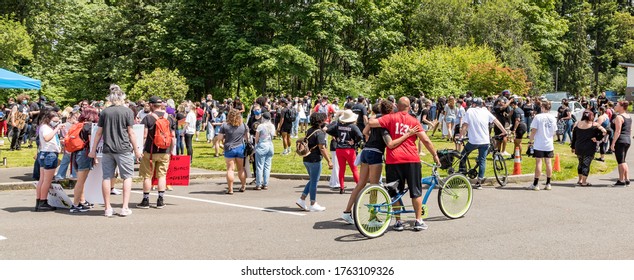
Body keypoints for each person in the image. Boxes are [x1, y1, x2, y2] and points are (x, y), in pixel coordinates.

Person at [368, 97, 441, 231]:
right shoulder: (414, 121)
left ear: (397, 106)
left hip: (393, 159)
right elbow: (426, 140)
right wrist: (435, 155)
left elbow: (371, 123)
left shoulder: (390, 118)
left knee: (395, 191)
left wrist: (375, 115)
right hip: (411, 159)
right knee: (416, 191)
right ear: (409, 107)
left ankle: (398, 221)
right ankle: (418, 220)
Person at [341, 100, 419, 224]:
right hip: (376, 153)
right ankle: (372, 217)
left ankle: (347, 211)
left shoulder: (375, 119)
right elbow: (390, 143)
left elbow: (365, 132)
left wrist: (370, 137)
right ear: (390, 111)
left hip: (366, 151)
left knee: (360, 183)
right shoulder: (385, 123)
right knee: (374, 187)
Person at [88, 84, 142, 217]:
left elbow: (98, 133)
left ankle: (107, 208)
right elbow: (131, 133)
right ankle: (124, 207)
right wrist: (136, 150)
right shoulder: (127, 112)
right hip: (123, 148)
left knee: (106, 177)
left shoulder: (105, 112)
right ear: (122, 97)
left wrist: (93, 150)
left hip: (107, 149)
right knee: (127, 177)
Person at [458, 98, 507, 189]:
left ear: (473, 104)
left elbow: (465, 125)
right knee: (482, 160)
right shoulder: (486, 111)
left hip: (473, 140)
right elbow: (497, 122)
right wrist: (504, 131)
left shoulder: (470, 111)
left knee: (463, 155)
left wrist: (460, 137)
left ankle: (461, 174)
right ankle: (479, 182)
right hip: (485, 141)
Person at [137, 96, 176, 209]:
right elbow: (172, 136)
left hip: (150, 151)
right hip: (165, 151)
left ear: (151, 105)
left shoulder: (148, 118)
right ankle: (160, 199)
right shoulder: (169, 118)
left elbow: (144, 136)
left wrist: (140, 150)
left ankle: (145, 200)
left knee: (147, 176)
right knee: (162, 176)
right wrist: (171, 150)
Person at [295, 112, 333, 212]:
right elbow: (322, 148)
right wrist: (329, 161)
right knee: (314, 181)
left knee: (312, 180)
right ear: (321, 121)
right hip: (315, 159)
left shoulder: (309, 130)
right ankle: (313, 203)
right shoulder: (319, 133)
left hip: (306, 158)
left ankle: (302, 199)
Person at [69, 107, 99, 213]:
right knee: (81, 181)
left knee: (80, 179)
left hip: (75, 153)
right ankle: (75, 204)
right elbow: (91, 143)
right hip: (84, 153)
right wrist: (94, 157)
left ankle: (81, 201)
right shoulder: (89, 126)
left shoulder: (78, 125)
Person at [327, 109, 363, 194]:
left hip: (339, 148)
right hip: (349, 149)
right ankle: (359, 187)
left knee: (341, 169)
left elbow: (328, 130)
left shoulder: (338, 125)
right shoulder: (353, 126)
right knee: (354, 169)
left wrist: (336, 136)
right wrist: (354, 141)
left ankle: (342, 188)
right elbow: (360, 136)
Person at [35, 111, 62, 211]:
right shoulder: (46, 127)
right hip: (49, 154)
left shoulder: (44, 127)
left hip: (44, 153)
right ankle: (43, 201)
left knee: (42, 179)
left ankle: (39, 201)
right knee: (46, 180)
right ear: (49, 119)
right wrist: (57, 129)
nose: (56, 123)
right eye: (54, 121)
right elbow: (47, 138)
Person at [526, 101, 557, 191]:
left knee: (539, 162)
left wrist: (530, 141)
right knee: (548, 162)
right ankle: (548, 183)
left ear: (543, 107)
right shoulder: (553, 117)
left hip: (539, 143)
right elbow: (554, 132)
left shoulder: (538, 117)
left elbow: (534, 130)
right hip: (549, 143)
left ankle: (536, 184)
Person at [217, 109, 249, 194]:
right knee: (241, 169)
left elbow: (219, 138)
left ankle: (230, 189)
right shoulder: (244, 125)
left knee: (230, 169)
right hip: (240, 148)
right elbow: (247, 138)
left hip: (229, 148)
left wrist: (225, 137)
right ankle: (243, 186)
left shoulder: (224, 126)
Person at [571, 111, 606, 186]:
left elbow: (574, 137)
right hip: (589, 147)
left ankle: (579, 180)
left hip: (579, 146)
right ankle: (584, 182)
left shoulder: (577, 123)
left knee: (580, 163)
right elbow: (604, 131)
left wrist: (573, 147)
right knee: (586, 164)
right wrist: (597, 138)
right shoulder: (594, 124)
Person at [611, 100, 632, 187]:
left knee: (620, 161)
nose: (615, 106)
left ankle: (621, 180)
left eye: (617, 105)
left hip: (620, 140)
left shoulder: (619, 117)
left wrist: (613, 143)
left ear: (621, 107)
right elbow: (629, 130)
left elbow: (617, 131)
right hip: (627, 139)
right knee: (623, 160)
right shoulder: (628, 117)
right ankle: (627, 179)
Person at [254, 112, 275, 190]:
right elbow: (273, 135)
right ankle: (265, 183)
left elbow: (256, 138)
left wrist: (256, 145)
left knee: (259, 166)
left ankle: (258, 184)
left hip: (262, 145)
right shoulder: (272, 126)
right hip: (270, 145)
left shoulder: (260, 126)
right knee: (267, 166)